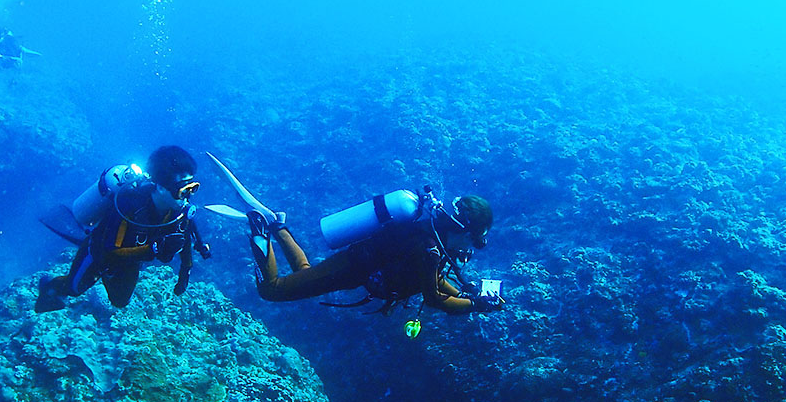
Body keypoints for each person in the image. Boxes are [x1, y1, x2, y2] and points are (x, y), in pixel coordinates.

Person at [207, 155, 502, 316]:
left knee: (306, 273)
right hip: (351, 268)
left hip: (354, 268)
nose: (471, 248)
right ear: (464, 231)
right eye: (475, 240)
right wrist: (475, 305)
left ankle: (277, 225)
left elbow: (436, 281)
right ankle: (260, 230)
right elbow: (435, 298)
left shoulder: (431, 238)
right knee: (272, 290)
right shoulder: (430, 250)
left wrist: (468, 293)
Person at [35, 146, 211, 313]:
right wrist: (153, 249)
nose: (187, 197)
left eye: (192, 188)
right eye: (183, 190)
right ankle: (49, 284)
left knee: (120, 301)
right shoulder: (130, 205)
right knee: (73, 289)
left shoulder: (178, 212)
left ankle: (107, 276)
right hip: (99, 252)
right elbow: (111, 250)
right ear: (160, 187)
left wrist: (185, 272)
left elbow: (185, 238)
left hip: (131, 259)